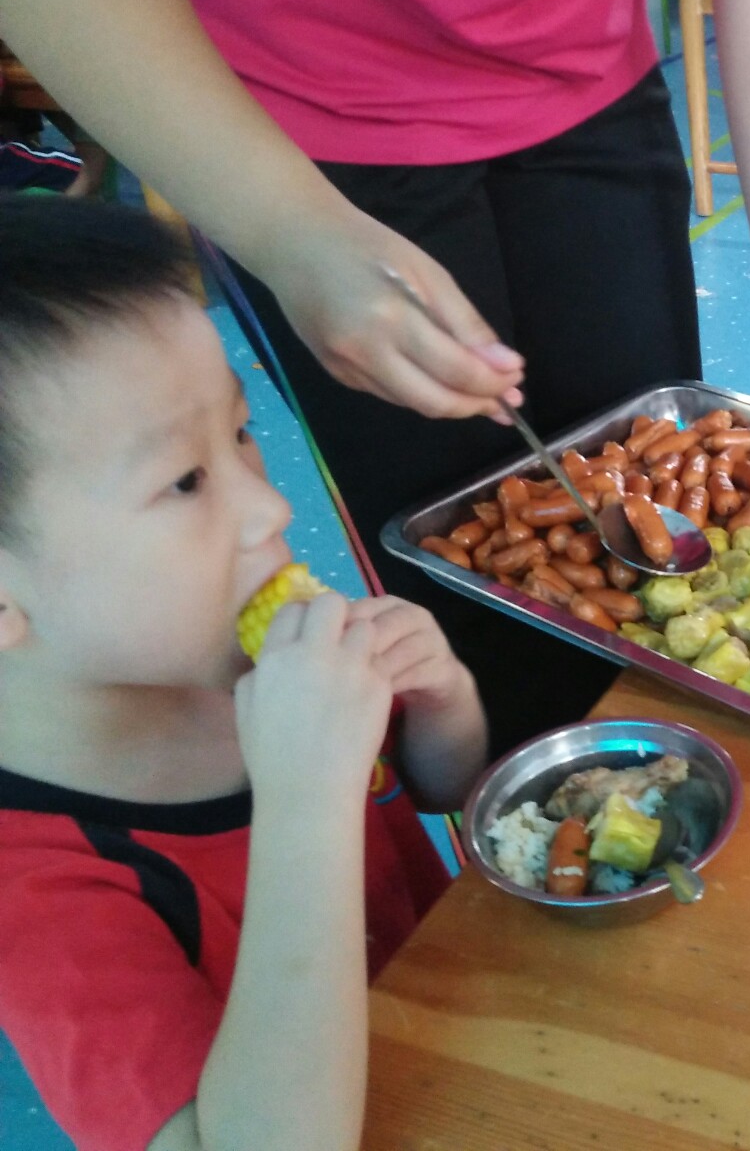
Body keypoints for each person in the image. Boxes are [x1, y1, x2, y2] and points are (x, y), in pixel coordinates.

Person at [0, 0, 750, 757]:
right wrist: (290, 232)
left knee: (645, 496)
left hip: (592, 84)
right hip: (297, 117)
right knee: (461, 594)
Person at [0, 197, 489, 1150]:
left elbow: (442, 786)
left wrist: (444, 697)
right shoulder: (40, 893)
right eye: (184, 482)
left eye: (239, 434)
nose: (271, 510)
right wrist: (306, 799)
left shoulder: (242, 651)